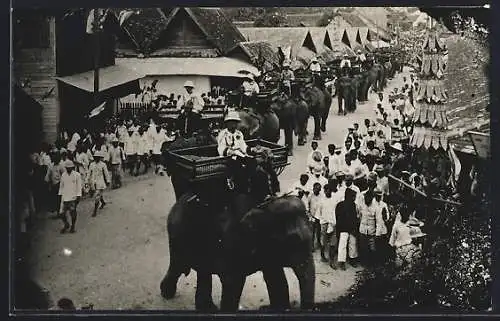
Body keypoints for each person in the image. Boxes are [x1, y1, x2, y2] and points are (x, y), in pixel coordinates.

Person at [335, 188, 359, 270]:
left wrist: (355, 228)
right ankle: (342, 262)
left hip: (351, 229)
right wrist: (339, 230)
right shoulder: (340, 205)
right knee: (342, 245)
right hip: (343, 229)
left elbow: (355, 218)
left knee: (352, 245)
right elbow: (338, 218)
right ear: (348, 196)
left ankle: (352, 260)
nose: (354, 198)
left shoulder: (354, 205)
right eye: (353, 196)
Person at [58, 160, 82, 234]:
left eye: (70, 167)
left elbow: (79, 187)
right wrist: (60, 195)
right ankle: (66, 224)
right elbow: (61, 186)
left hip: (73, 197)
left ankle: (73, 226)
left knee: (73, 212)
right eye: (67, 168)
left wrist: (78, 196)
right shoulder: (63, 175)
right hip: (64, 197)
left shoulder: (77, 175)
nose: (68, 169)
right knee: (61, 213)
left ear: (73, 167)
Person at [319, 183, 338, 265]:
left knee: (333, 243)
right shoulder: (321, 201)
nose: (327, 192)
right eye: (325, 190)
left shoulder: (335, 200)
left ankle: (332, 261)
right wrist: (321, 223)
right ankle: (322, 255)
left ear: (331, 191)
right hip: (324, 224)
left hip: (333, 224)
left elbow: (336, 212)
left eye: (328, 190)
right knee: (323, 242)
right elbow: (319, 213)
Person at [357, 189, 378, 266]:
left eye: (368, 198)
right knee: (363, 248)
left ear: (372, 198)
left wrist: (377, 233)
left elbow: (378, 220)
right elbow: (359, 216)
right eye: (365, 198)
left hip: (372, 231)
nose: (366, 200)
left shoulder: (375, 207)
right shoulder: (361, 205)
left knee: (372, 249)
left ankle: (371, 264)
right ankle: (364, 263)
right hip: (362, 230)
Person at [88, 150, 110, 217]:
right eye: (95, 157)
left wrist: (108, 181)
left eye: (98, 157)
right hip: (93, 182)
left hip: (100, 182)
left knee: (97, 196)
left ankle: (95, 211)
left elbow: (106, 173)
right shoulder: (91, 164)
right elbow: (89, 173)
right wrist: (87, 181)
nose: (96, 158)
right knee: (98, 194)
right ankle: (103, 202)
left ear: (100, 157)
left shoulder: (103, 164)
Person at [374, 188, 390, 261]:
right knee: (374, 246)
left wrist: (385, 216)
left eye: (380, 196)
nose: (379, 197)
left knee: (382, 245)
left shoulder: (384, 204)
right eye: (378, 196)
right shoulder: (372, 203)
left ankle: (382, 260)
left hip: (382, 228)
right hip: (374, 228)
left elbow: (387, 217)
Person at [308, 182, 323, 252]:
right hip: (312, 217)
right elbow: (307, 206)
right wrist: (309, 216)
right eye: (316, 188)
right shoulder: (310, 196)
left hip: (319, 217)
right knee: (312, 232)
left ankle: (319, 243)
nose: (317, 190)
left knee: (319, 232)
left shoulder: (322, 196)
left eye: (318, 189)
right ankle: (311, 246)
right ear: (313, 188)